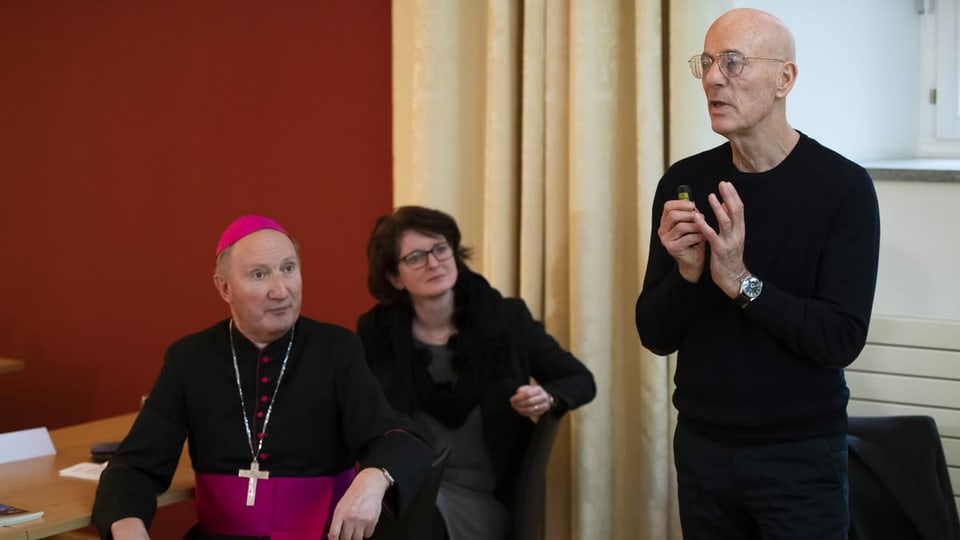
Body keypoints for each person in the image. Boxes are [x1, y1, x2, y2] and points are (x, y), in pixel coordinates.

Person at [635, 8, 880, 540]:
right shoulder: (685, 181)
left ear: (783, 80)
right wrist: (687, 273)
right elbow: (654, 335)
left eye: (733, 62)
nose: (712, 78)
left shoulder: (842, 188)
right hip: (702, 448)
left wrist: (741, 281)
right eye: (707, 62)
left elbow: (840, 339)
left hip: (799, 454)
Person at [92, 215, 433, 540]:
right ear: (224, 288)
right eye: (259, 275)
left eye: (288, 269)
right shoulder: (189, 359)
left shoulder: (336, 349)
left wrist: (375, 478)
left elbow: (399, 437)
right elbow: (134, 465)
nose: (280, 290)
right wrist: (127, 526)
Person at [356, 206, 596, 540]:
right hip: (410, 486)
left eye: (440, 248)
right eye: (415, 257)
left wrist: (549, 396)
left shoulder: (505, 319)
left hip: (482, 497)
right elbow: (359, 415)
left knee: (408, 522)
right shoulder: (376, 335)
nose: (434, 262)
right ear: (394, 277)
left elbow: (582, 380)